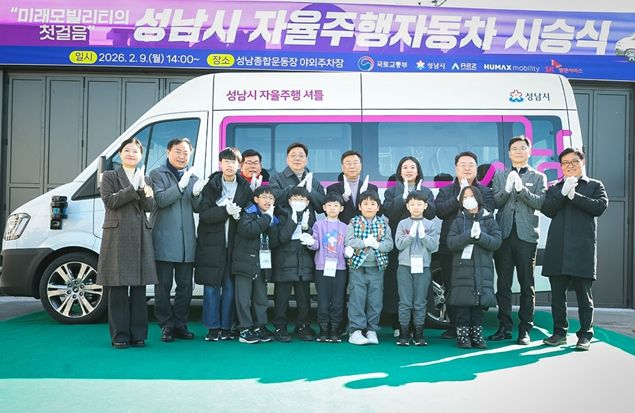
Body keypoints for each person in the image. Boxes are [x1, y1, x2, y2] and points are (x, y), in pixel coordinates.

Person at [541, 148, 608, 351]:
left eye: (574, 161)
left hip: (582, 249)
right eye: (565, 163)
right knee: (557, 296)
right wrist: (563, 194)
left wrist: (574, 195)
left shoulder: (594, 185)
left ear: (582, 162)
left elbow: (599, 207)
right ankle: (559, 333)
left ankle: (585, 334)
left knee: (583, 297)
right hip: (558, 248)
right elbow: (547, 209)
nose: (570, 166)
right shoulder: (555, 188)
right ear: (561, 166)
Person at [97, 137, 157, 349]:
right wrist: (133, 188)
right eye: (127, 150)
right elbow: (110, 201)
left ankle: (138, 335)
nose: (131, 154)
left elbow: (150, 206)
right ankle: (119, 336)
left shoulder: (146, 178)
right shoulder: (109, 176)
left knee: (139, 289)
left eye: (135, 151)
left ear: (141, 156)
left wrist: (142, 189)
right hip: (117, 235)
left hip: (140, 234)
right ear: (120, 154)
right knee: (118, 288)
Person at [489, 136, 547, 345]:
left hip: (526, 236)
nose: (519, 151)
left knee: (526, 284)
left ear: (529, 152)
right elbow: (495, 202)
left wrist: (522, 190)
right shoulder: (499, 175)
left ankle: (525, 329)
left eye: (523, 148)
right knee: (503, 284)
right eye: (514, 148)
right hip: (504, 235)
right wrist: (507, 189)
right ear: (509, 153)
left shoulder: (538, 177)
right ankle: (504, 327)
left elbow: (540, 203)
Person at [149, 138, 205, 343]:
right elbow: (161, 200)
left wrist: (197, 193)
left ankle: (180, 323)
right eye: (178, 151)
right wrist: (181, 187)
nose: (182, 156)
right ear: (168, 152)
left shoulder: (193, 177)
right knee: (163, 287)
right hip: (163, 239)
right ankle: (166, 325)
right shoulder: (157, 174)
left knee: (185, 287)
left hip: (186, 242)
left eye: (186, 153)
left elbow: (197, 208)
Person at [435, 151, 495, 339]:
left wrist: (471, 199)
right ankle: (455, 326)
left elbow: (489, 210)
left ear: (476, 168)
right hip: (450, 247)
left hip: (478, 248)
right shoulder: (446, 191)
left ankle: (474, 327)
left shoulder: (485, 191)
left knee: (476, 285)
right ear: (456, 168)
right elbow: (440, 212)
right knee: (452, 286)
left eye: (471, 165)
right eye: (463, 165)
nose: (467, 168)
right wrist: (458, 198)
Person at [196, 148, 253, 342]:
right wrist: (224, 211)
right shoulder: (211, 185)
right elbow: (204, 214)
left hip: (235, 245)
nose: (229, 165)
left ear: (239, 165)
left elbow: (249, 214)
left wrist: (239, 216)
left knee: (230, 287)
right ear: (220, 164)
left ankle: (226, 327)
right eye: (226, 161)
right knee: (211, 286)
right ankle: (212, 328)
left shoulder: (245, 188)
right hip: (211, 244)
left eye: (233, 162)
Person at [384, 156, 436, 337]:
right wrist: (403, 197)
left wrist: (420, 197)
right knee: (397, 284)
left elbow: (432, 213)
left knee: (420, 287)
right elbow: (389, 213)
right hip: (400, 244)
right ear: (399, 171)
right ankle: (398, 324)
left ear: (418, 170)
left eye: (412, 167)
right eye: (405, 167)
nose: (408, 170)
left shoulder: (426, 191)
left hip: (421, 245)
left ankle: (418, 325)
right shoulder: (392, 191)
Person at [446, 186, 502, 349]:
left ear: (478, 198)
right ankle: (463, 337)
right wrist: (468, 236)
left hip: (482, 271)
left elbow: (496, 242)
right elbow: (451, 243)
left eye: (471, 196)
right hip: (462, 271)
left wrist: (480, 236)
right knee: (463, 306)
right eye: (465, 197)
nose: (468, 200)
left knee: (478, 307)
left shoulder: (489, 220)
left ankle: (477, 336)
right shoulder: (458, 221)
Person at [232, 185, 280, 344]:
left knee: (261, 297)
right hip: (245, 263)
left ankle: (260, 326)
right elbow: (249, 230)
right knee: (243, 298)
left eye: (271, 198)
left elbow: (274, 241)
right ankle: (244, 329)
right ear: (256, 199)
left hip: (263, 263)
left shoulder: (272, 218)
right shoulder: (248, 213)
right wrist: (266, 218)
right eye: (264, 197)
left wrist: (271, 220)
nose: (268, 201)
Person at [345, 190, 394, 345]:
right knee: (357, 298)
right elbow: (349, 242)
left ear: (378, 207)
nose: (369, 207)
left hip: (377, 268)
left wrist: (378, 245)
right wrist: (365, 243)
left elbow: (389, 244)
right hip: (357, 267)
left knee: (375, 299)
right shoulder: (353, 222)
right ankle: (356, 330)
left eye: (373, 204)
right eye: (365, 204)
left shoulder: (384, 224)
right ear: (359, 206)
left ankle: (372, 330)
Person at [394, 190, 440, 346]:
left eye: (419, 204)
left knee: (420, 301)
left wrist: (423, 236)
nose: (416, 207)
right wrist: (410, 236)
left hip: (423, 266)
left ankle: (419, 334)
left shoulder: (430, 224)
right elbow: (399, 244)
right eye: (412, 204)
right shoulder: (403, 224)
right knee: (405, 301)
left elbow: (433, 246)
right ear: (407, 206)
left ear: (425, 206)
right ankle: (404, 333)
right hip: (405, 266)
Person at [305, 192, 349, 343]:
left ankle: (335, 330)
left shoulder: (345, 227)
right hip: (322, 267)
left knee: (338, 300)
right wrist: (310, 242)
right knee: (323, 299)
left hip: (340, 268)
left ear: (341, 208)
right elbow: (316, 244)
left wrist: (348, 251)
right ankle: (323, 330)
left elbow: (346, 246)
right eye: (329, 205)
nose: (332, 208)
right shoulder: (318, 225)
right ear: (324, 207)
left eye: (336, 205)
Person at [269, 142, 326, 213]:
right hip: (285, 220)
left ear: (306, 160)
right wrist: (292, 189)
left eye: (301, 156)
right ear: (287, 160)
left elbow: (322, 208)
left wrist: (311, 191)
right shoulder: (276, 179)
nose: (297, 159)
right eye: (293, 155)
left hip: (308, 220)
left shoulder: (313, 181)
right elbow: (272, 201)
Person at [326, 150, 378, 224]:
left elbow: (379, 212)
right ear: (342, 167)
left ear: (360, 166)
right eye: (348, 163)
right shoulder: (332, 189)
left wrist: (364, 195)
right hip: (341, 228)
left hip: (364, 228)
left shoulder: (371, 188)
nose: (352, 166)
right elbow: (329, 212)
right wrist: (344, 197)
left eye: (355, 163)